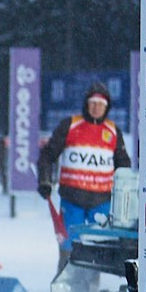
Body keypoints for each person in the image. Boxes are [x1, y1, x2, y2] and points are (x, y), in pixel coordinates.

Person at [36, 82, 132, 241]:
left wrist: (125, 194)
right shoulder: (70, 125)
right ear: (86, 104)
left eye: (101, 104)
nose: (96, 108)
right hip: (72, 200)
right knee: (69, 249)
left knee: (101, 249)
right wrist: (44, 180)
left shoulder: (113, 131)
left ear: (106, 107)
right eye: (93, 103)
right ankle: (65, 266)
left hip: (102, 202)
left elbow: (123, 165)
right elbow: (47, 155)